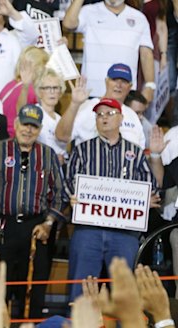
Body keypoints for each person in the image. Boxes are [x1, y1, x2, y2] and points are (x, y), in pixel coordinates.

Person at [65, 97, 162, 302]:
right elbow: (67, 182)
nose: (104, 118)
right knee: (80, 290)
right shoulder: (82, 150)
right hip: (88, 229)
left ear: (121, 118)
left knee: (124, 293)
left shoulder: (135, 153)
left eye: (109, 113)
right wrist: (72, 196)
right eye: (99, 115)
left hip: (124, 233)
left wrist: (146, 198)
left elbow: (151, 188)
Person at [0, 104, 66, 318]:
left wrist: (49, 223)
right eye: (25, 124)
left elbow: (61, 193)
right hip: (2, 226)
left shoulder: (48, 155)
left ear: (40, 130)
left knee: (32, 291)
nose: (28, 130)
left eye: (34, 126)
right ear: (15, 124)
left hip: (36, 228)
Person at [62, 0, 156, 102]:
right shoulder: (88, 11)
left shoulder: (140, 18)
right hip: (91, 92)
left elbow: (146, 54)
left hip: (125, 95)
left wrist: (150, 85)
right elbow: (68, 24)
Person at [55, 63, 146, 149]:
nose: (118, 85)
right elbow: (61, 137)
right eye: (114, 80)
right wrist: (74, 104)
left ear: (130, 86)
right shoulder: (87, 107)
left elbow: (139, 153)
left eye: (124, 81)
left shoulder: (132, 115)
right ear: (106, 81)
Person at [0, 46, 49, 137]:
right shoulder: (32, 91)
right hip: (18, 136)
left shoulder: (11, 84)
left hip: (1, 134)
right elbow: (22, 112)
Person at [34, 68, 68, 163]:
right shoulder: (35, 113)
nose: (52, 92)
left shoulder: (60, 119)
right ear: (39, 91)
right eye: (47, 88)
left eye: (55, 88)